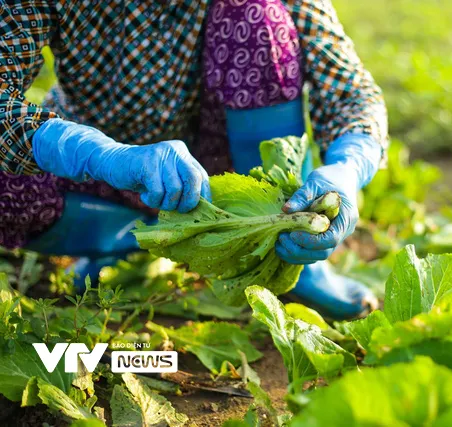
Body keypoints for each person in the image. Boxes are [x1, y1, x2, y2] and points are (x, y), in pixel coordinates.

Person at [0, 0, 388, 319]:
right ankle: (135, 240)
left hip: (227, 170)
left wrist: (348, 168)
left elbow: (351, 91)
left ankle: (286, 252)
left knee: (255, 15)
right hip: (98, 164)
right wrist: (103, 155)